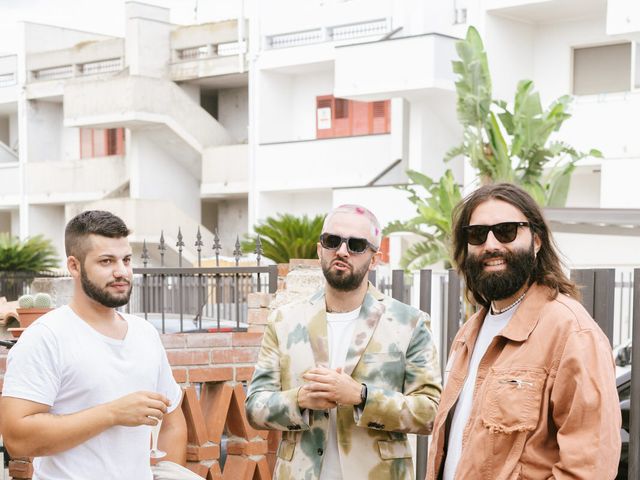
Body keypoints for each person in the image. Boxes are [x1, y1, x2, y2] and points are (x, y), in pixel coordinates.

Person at [426, 183, 621, 479]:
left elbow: (589, 466)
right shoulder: (468, 333)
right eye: (477, 234)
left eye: (506, 231)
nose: (491, 244)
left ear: (537, 241)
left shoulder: (571, 332)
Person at [245, 204, 442, 480]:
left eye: (357, 245)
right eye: (332, 241)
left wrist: (361, 397)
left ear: (375, 259)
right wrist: (300, 399)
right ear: (319, 249)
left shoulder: (408, 323)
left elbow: (432, 412)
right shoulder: (284, 320)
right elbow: (254, 408)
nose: (342, 251)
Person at [1, 210, 188, 480]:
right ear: (74, 266)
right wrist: (112, 413)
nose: (121, 271)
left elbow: (171, 422)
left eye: (126, 260)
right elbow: (17, 439)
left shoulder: (145, 334)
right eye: (106, 261)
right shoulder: (45, 337)